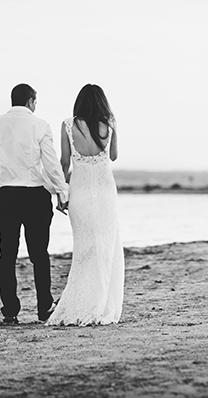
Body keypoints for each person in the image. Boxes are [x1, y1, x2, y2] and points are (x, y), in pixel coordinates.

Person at [0, 84, 68, 326]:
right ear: (31, 101)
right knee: (39, 254)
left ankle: (10, 311)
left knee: (7, 253)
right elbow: (51, 164)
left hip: (5, 195)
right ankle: (44, 308)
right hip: (34, 195)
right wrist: (62, 191)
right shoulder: (40, 125)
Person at [46, 84, 124, 326]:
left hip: (79, 191)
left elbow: (64, 162)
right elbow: (113, 156)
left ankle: (82, 300)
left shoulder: (68, 125)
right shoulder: (109, 124)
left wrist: (61, 193)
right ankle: (101, 302)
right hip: (104, 191)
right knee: (106, 245)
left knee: (84, 247)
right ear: (102, 102)